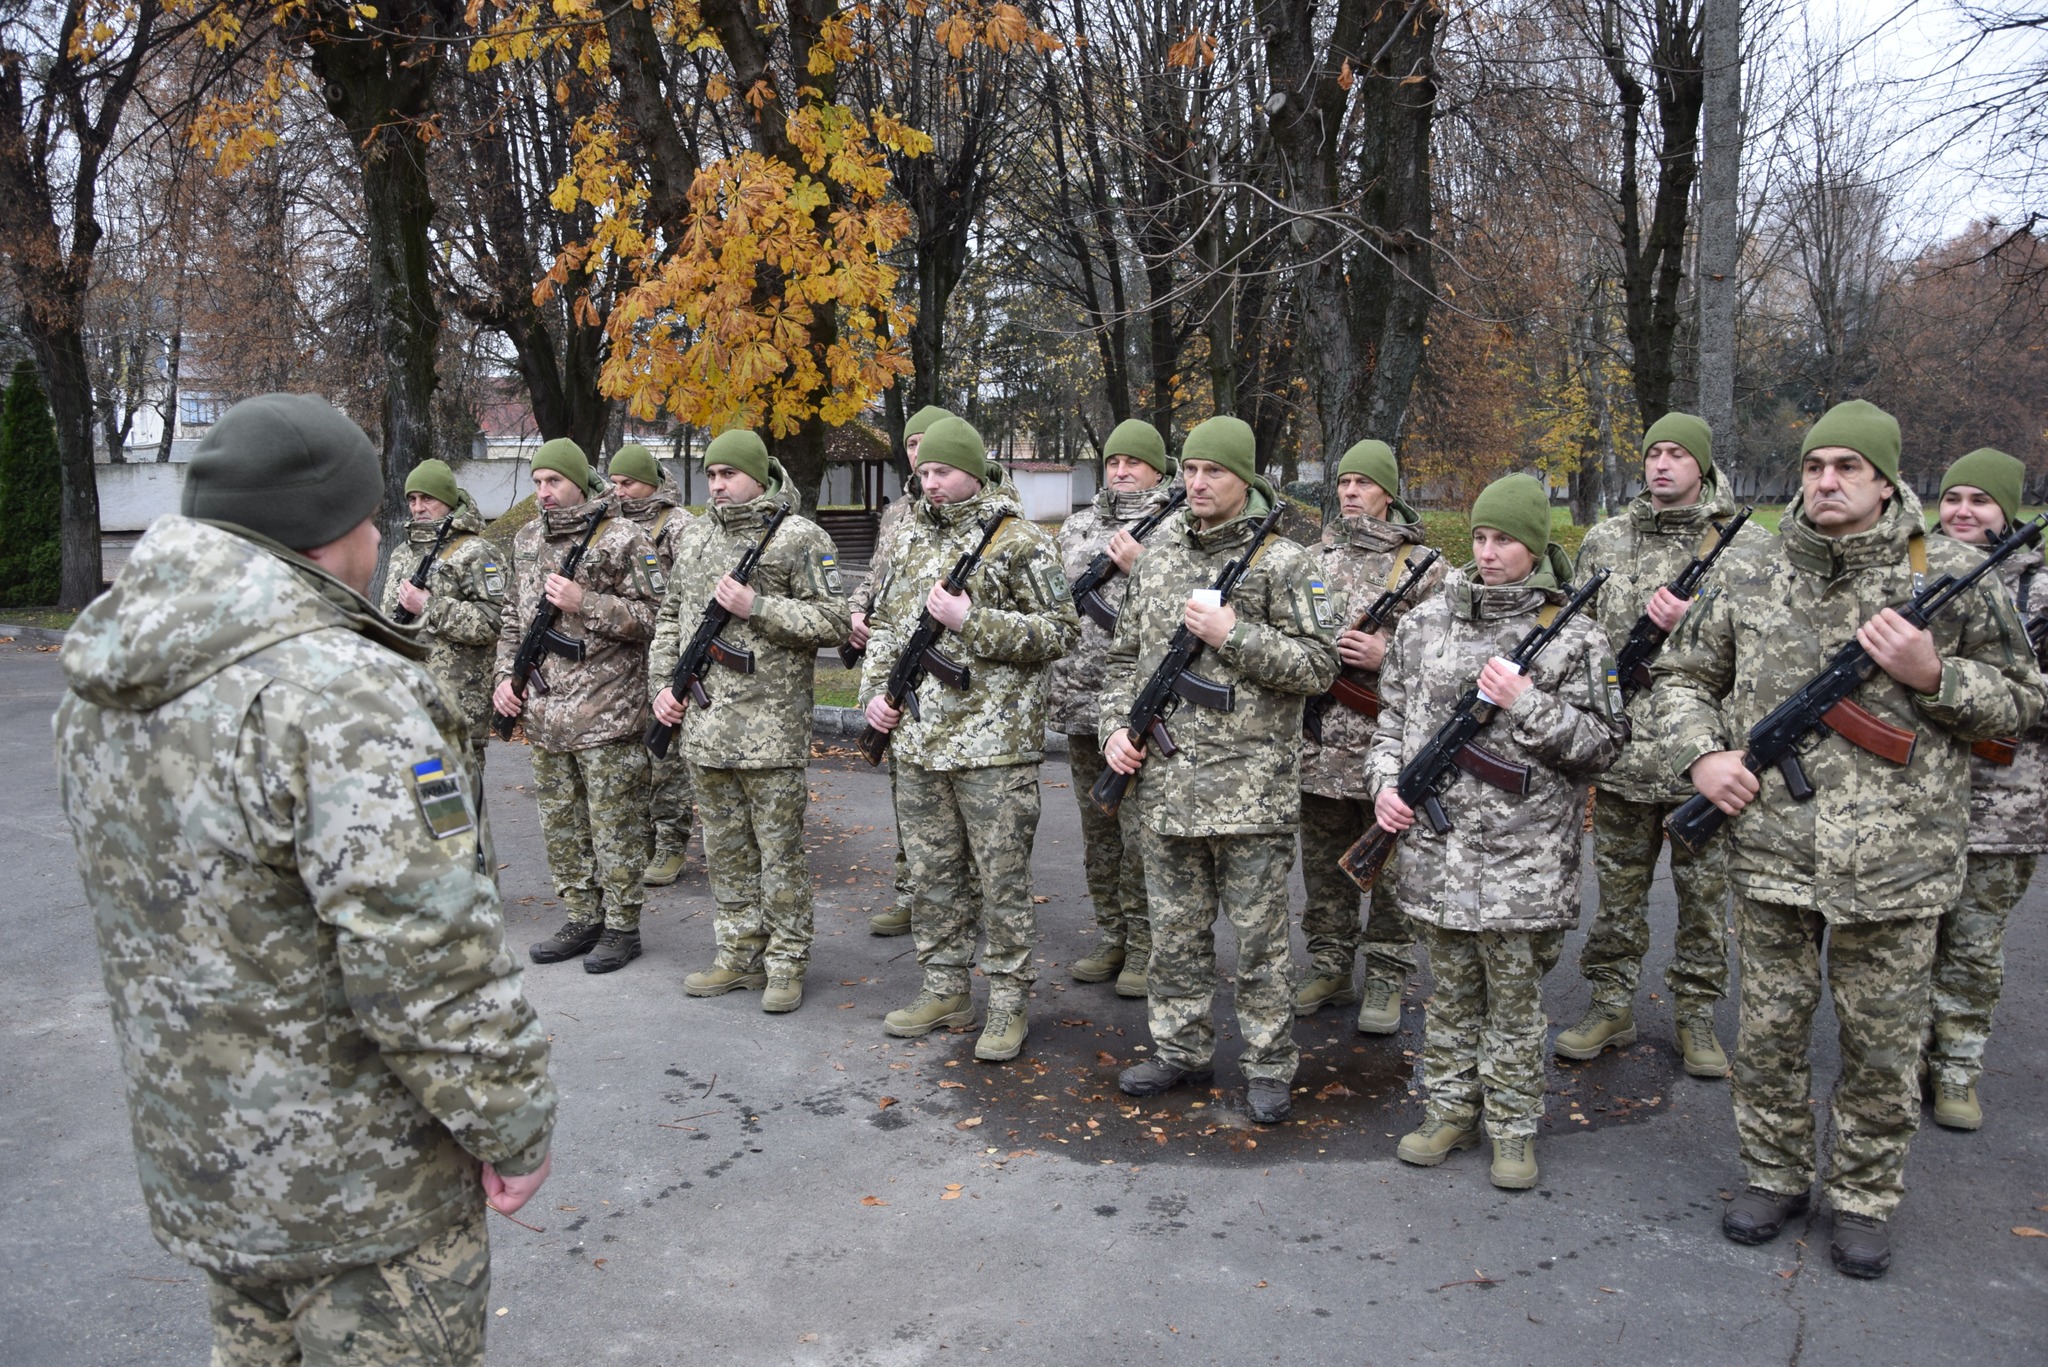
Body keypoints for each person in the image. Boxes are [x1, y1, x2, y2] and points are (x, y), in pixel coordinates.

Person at [53, 393, 555, 1366]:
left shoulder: (110, 676)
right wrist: (512, 1119)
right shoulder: (334, 691)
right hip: (364, 1193)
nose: (379, 532)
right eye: (369, 513)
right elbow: (424, 952)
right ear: (327, 532)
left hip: (213, 1167)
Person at [1654, 400, 2043, 1278]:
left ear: (1885, 479)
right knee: (1770, 1034)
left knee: (1882, 1045)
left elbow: (2027, 702)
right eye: (1814, 466)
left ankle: (1865, 1198)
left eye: (1848, 468)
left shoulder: (1951, 571)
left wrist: (1934, 674)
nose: (1827, 481)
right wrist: (1701, 756)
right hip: (1772, 853)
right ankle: (1774, 1174)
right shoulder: (1752, 569)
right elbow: (1681, 676)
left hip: (1899, 866)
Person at [1374, 474, 1625, 1188]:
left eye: (1505, 539)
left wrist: (1526, 702)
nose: (1488, 552)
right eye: (1480, 537)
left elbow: (1604, 744)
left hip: (1525, 857)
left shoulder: (1578, 637)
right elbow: (1388, 720)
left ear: (1536, 546)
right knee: (1449, 991)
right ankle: (1449, 1109)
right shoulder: (1425, 624)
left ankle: (1513, 1126)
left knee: (1514, 1001)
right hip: (1434, 848)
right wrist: (1385, 787)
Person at [1103, 415, 1339, 1125]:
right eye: (1191, 469)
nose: (1198, 483)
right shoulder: (1158, 553)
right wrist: (1119, 724)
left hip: (1249, 789)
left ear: (1247, 478)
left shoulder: (1286, 562)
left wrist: (1235, 635)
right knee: (1174, 931)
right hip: (1166, 784)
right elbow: (1125, 656)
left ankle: (1269, 1063)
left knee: (1261, 940)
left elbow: (1319, 665)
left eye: (1215, 471)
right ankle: (1180, 1049)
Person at [859, 416, 1079, 1062]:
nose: (931, 482)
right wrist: (877, 694)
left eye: (943, 471)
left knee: (1001, 879)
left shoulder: (1019, 543)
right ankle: (945, 985)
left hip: (993, 745)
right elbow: (886, 626)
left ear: (975, 472)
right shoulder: (906, 539)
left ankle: (1008, 1000)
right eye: (924, 472)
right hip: (922, 740)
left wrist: (972, 621)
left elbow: (1059, 632)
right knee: (931, 875)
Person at [1557, 412, 1768, 1075]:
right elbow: (1577, 638)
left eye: (1678, 454)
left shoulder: (1745, 549)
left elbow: (1761, 658)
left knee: (1705, 901)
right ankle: (1610, 1003)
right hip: (1619, 757)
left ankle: (1697, 1016)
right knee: (1616, 897)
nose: (1662, 465)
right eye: (1654, 453)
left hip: (1702, 761)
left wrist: (1692, 622)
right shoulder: (1605, 540)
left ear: (1701, 466)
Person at [650, 430, 850, 1011]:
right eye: (711, 475)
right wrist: (664, 686)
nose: (717, 485)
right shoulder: (694, 537)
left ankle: (786, 963)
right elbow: (670, 618)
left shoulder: (798, 537)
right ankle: (738, 954)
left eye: (729, 474)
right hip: (704, 729)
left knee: (779, 854)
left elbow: (835, 622)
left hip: (770, 732)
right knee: (726, 851)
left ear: (759, 476)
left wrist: (756, 607)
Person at [494, 437, 664, 973]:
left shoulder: (624, 539)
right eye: (538, 482)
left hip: (606, 711)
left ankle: (621, 926)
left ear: (579, 482)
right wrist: (505, 678)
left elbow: (658, 617)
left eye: (554, 482)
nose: (544, 492)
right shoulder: (525, 540)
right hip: (544, 715)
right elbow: (511, 621)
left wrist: (583, 603)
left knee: (613, 826)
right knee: (561, 826)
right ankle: (581, 915)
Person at [1294, 439, 1446, 1033]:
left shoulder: (1427, 568)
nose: (1351, 493)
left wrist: (1388, 653)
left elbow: (1453, 657)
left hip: (1387, 744)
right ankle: (1330, 964)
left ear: (1388, 492)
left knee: (1391, 866)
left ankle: (1386, 972)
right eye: (1344, 482)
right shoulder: (1313, 557)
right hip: (1318, 741)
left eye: (1364, 483)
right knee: (1323, 865)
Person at [1925, 446, 2046, 1131]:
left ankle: (1958, 1067)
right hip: (1914, 797)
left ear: (2008, 510)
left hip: (2005, 803)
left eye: (1981, 501)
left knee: (1972, 942)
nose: (1964, 511)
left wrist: (1985, 692)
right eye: (1954, 498)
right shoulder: (1916, 577)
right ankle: (1907, 1053)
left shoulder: (2037, 592)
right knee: (1910, 940)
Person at [1047, 418, 1176, 997]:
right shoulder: (1076, 527)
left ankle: (1149, 947)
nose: (1121, 472)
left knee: (1139, 833)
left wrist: (1140, 566)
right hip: (1081, 703)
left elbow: (1190, 615)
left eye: (1134, 463)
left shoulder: (1178, 529)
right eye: (1113, 462)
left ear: (1157, 468)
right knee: (1098, 829)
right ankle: (1112, 935)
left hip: (1141, 711)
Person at [852, 403, 953, 938]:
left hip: (945, 661)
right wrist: (859, 610)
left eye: (929, 447)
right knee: (904, 787)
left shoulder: (976, 511)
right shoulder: (897, 515)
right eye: (912, 446)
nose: (919, 457)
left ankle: (955, 895)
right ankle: (911, 888)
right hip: (896, 659)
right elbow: (878, 573)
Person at [380, 458, 507, 789]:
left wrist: (429, 606)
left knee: (460, 811)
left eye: (428, 499)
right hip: (408, 707)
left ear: (448, 501)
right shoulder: (401, 554)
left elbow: (495, 622)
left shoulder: (477, 552)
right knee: (423, 812)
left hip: (456, 710)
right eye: (412, 499)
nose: (418, 508)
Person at [609, 441, 699, 887]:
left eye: (628, 482)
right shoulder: (608, 526)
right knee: (631, 757)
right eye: (614, 482)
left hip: (665, 655)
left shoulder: (679, 526)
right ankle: (640, 838)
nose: (619, 490)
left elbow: (689, 596)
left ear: (650, 482)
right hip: (620, 661)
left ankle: (670, 842)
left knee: (666, 754)